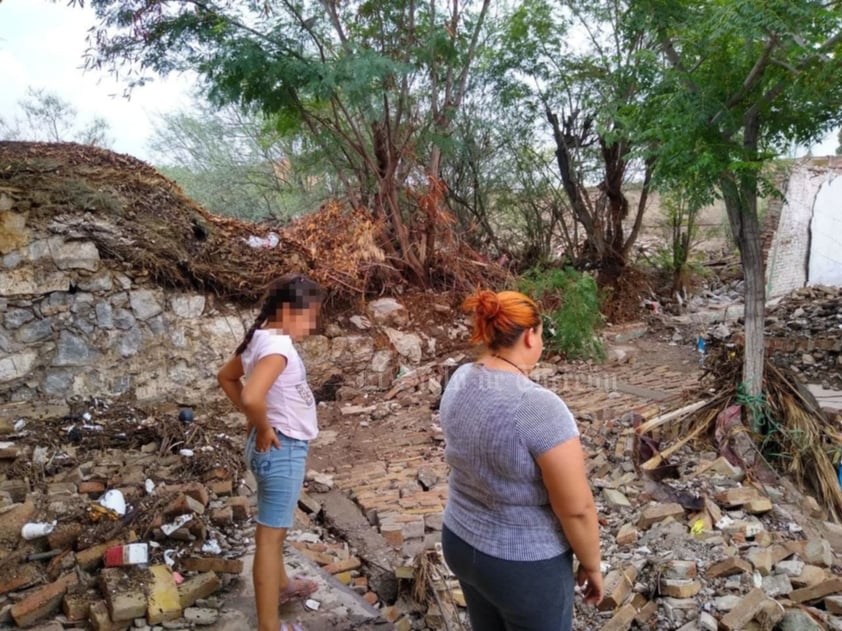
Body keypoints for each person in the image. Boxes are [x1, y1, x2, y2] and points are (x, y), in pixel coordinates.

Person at [439, 288, 603, 631]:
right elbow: (576, 508)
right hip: (522, 563)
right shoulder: (538, 406)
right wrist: (592, 563)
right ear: (530, 336)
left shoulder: (459, 379)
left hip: (460, 540)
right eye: (542, 333)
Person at [217, 274, 324, 631]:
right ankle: (269, 626)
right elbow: (250, 395)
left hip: (268, 449)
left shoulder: (260, 335)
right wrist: (261, 425)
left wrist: (256, 423)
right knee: (269, 537)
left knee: (271, 525)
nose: (312, 325)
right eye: (310, 316)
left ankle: (281, 586)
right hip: (282, 448)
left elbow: (226, 377)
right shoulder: (278, 349)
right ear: (289, 311)